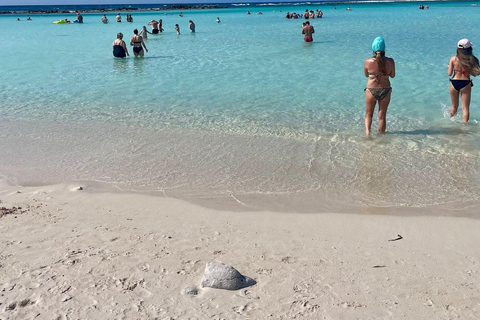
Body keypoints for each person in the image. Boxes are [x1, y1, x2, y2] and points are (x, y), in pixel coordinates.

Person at [364, 37, 395, 135]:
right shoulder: (390, 61)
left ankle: (368, 134)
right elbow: (393, 75)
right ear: (384, 49)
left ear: (373, 49)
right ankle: (381, 138)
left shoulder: (368, 62)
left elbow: (366, 75)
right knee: (382, 116)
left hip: (371, 90)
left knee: (369, 114)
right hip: (385, 90)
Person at [447, 39, 480, 122]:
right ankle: (464, 128)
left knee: (454, 107)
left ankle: (450, 123)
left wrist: (449, 67)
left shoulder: (453, 59)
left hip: (454, 82)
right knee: (465, 108)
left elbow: (449, 73)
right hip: (465, 83)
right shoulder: (473, 60)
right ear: (470, 49)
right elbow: (475, 73)